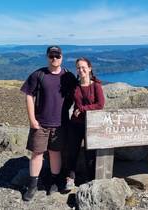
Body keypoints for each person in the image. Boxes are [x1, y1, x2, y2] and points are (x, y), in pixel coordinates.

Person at [20, 46, 76, 201]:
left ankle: (54, 181)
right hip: (41, 123)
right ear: (47, 57)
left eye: (57, 56)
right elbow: (29, 95)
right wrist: (32, 119)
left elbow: (77, 94)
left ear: (62, 57)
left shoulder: (68, 76)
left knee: (55, 153)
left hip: (60, 124)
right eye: (51, 56)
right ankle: (32, 186)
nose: (54, 59)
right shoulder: (39, 74)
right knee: (37, 153)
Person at [65, 57, 105, 191]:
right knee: (72, 152)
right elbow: (67, 102)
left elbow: (100, 105)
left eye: (83, 67)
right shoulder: (75, 86)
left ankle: (89, 179)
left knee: (90, 153)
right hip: (75, 124)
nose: (80, 70)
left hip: (91, 124)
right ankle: (70, 178)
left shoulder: (96, 85)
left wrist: (82, 109)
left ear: (89, 68)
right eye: (78, 68)